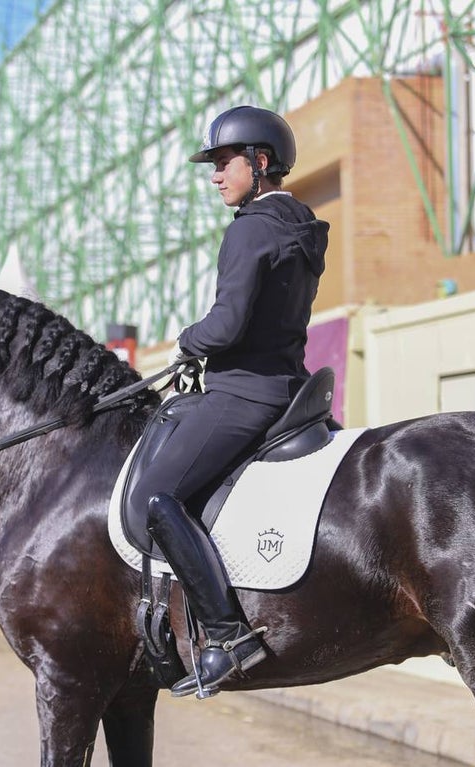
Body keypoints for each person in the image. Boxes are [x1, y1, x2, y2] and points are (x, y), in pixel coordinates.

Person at [131, 105, 328, 698]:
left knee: (153, 497)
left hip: (243, 392)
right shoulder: (301, 224)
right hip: (289, 387)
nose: (215, 175)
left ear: (259, 162)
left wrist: (187, 342)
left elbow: (227, 325)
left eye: (223, 162)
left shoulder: (249, 228)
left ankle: (224, 632)